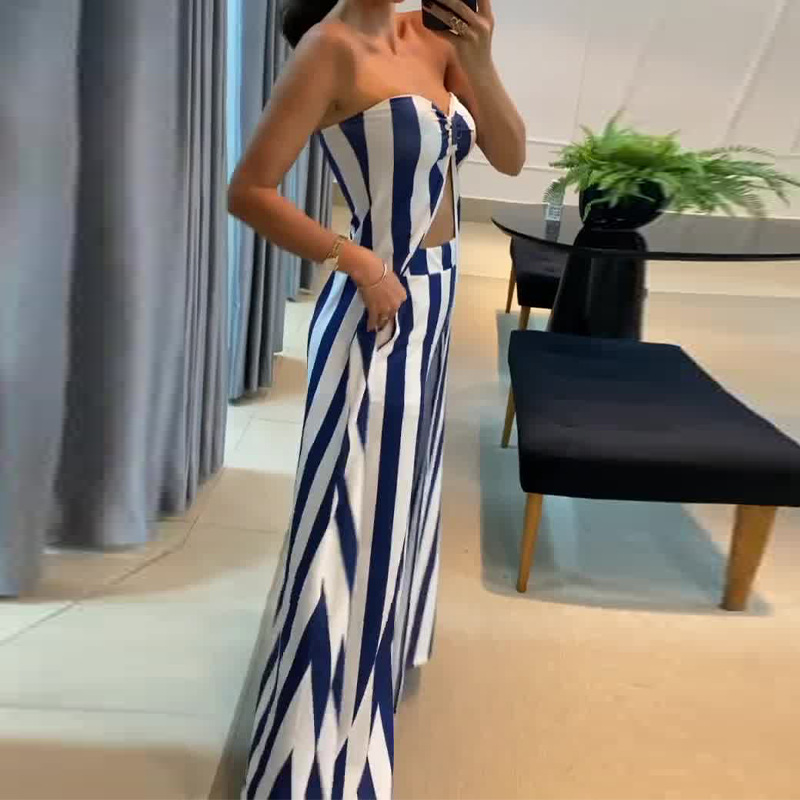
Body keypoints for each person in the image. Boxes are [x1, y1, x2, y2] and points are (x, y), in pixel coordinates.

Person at [228, 0, 524, 796]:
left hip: (437, 296)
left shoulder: (438, 35)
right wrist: (355, 260)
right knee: (346, 512)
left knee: (399, 497)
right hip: (374, 311)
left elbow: (511, 155)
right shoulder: (329, 48)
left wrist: (481, 57)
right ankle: (310, 754)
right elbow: (249, 190)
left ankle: (376, 661)